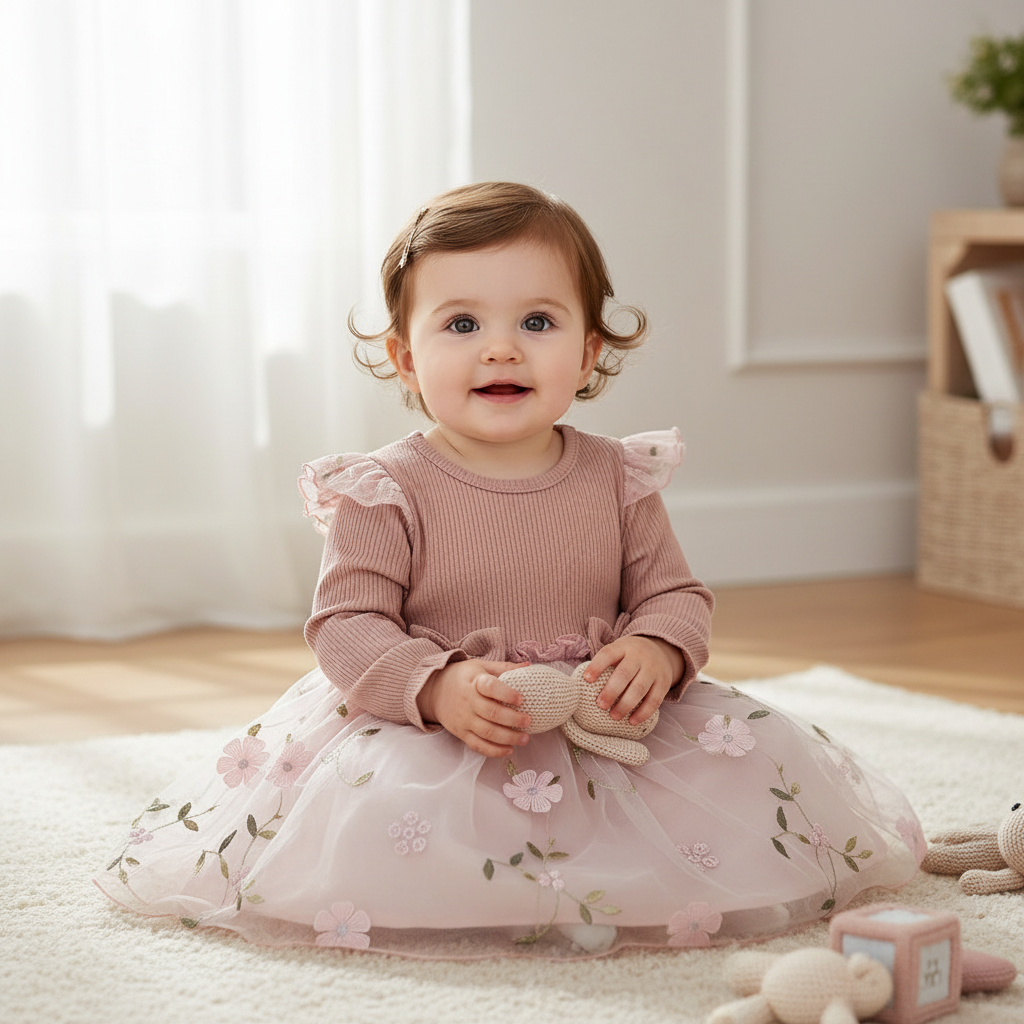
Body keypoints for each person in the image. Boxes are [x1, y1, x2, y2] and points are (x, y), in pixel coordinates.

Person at [95, 182, 925, 958]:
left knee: (732, 778)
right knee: (385, 817)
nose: (500, 348)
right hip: (439, 722)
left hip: (602, 719)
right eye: (461, 325)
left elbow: (673, 593)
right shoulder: (385, 489)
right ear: (406, 356)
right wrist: (433, 687)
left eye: (537, 322)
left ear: (589, 348)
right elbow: (347, 624)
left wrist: (659, 652)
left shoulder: (617, 476)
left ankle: (607, 888)